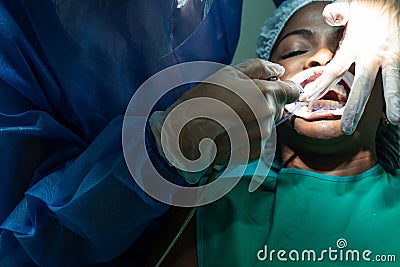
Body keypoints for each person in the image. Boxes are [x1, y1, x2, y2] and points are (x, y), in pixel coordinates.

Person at [149, 0, 400, 266]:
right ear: (266, 90)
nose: (323, 58)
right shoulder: (214, 199)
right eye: (296, 51)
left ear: (388, 96)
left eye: (350, 51)